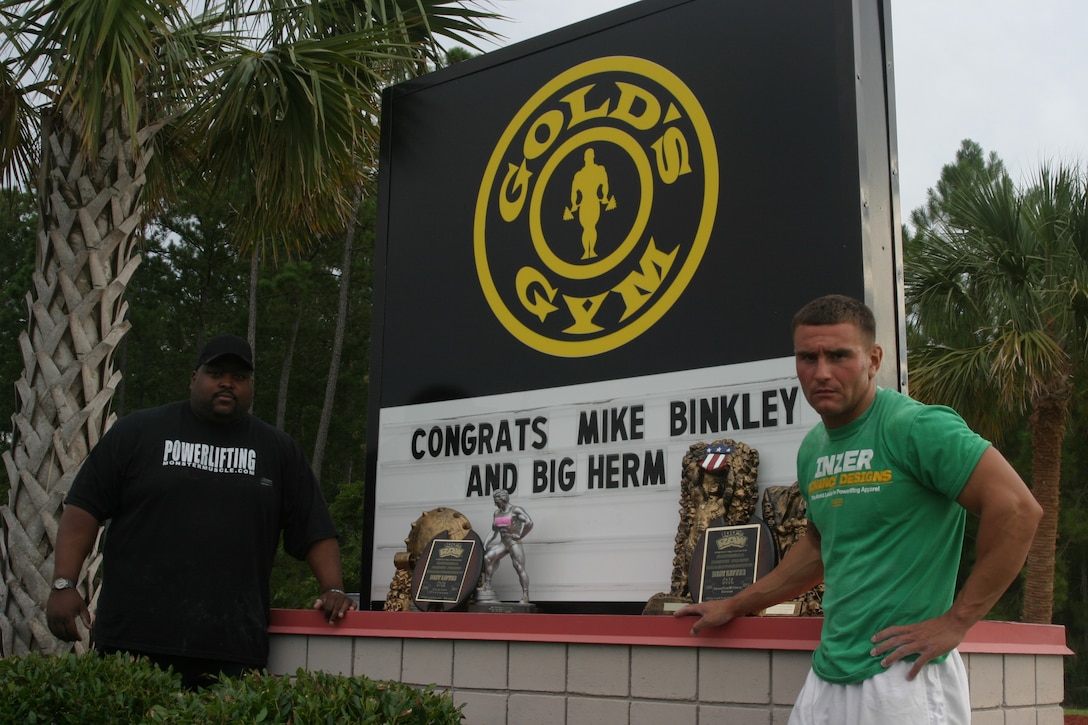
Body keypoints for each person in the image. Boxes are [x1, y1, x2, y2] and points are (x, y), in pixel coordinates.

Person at [675, 294, 1042, 724]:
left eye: (838, 356)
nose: (821, 372)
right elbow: (817, 547)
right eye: (807, 357)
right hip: (830, 671)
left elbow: (1017, 510)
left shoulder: (916, 427)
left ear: (873, 359)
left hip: (903, 673)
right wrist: (735, 604)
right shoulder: (814, 447)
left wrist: (957, 621)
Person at [46, 334, 356, 689]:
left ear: (251, 386)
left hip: (232, 650)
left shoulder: (278, 451)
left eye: (239, 377)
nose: (227, 383)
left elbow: (315, 528)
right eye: (216, 373)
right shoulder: (138, 432)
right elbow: (83, 508)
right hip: (132, 642)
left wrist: (333, 588)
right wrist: (63, 584)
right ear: (194, 378)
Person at [479, 489, 534, 602]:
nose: (495, 504)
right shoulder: (496, 513)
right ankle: (487, 584)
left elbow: (529, 522)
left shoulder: (515, 510)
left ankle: (525, 594)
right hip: (503, 543)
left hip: (514, 543)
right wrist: (486, 543)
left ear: (503, 499)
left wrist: (520, 535)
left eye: (497, 501)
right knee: (488, 557)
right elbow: (494, 531)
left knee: (519, 568)